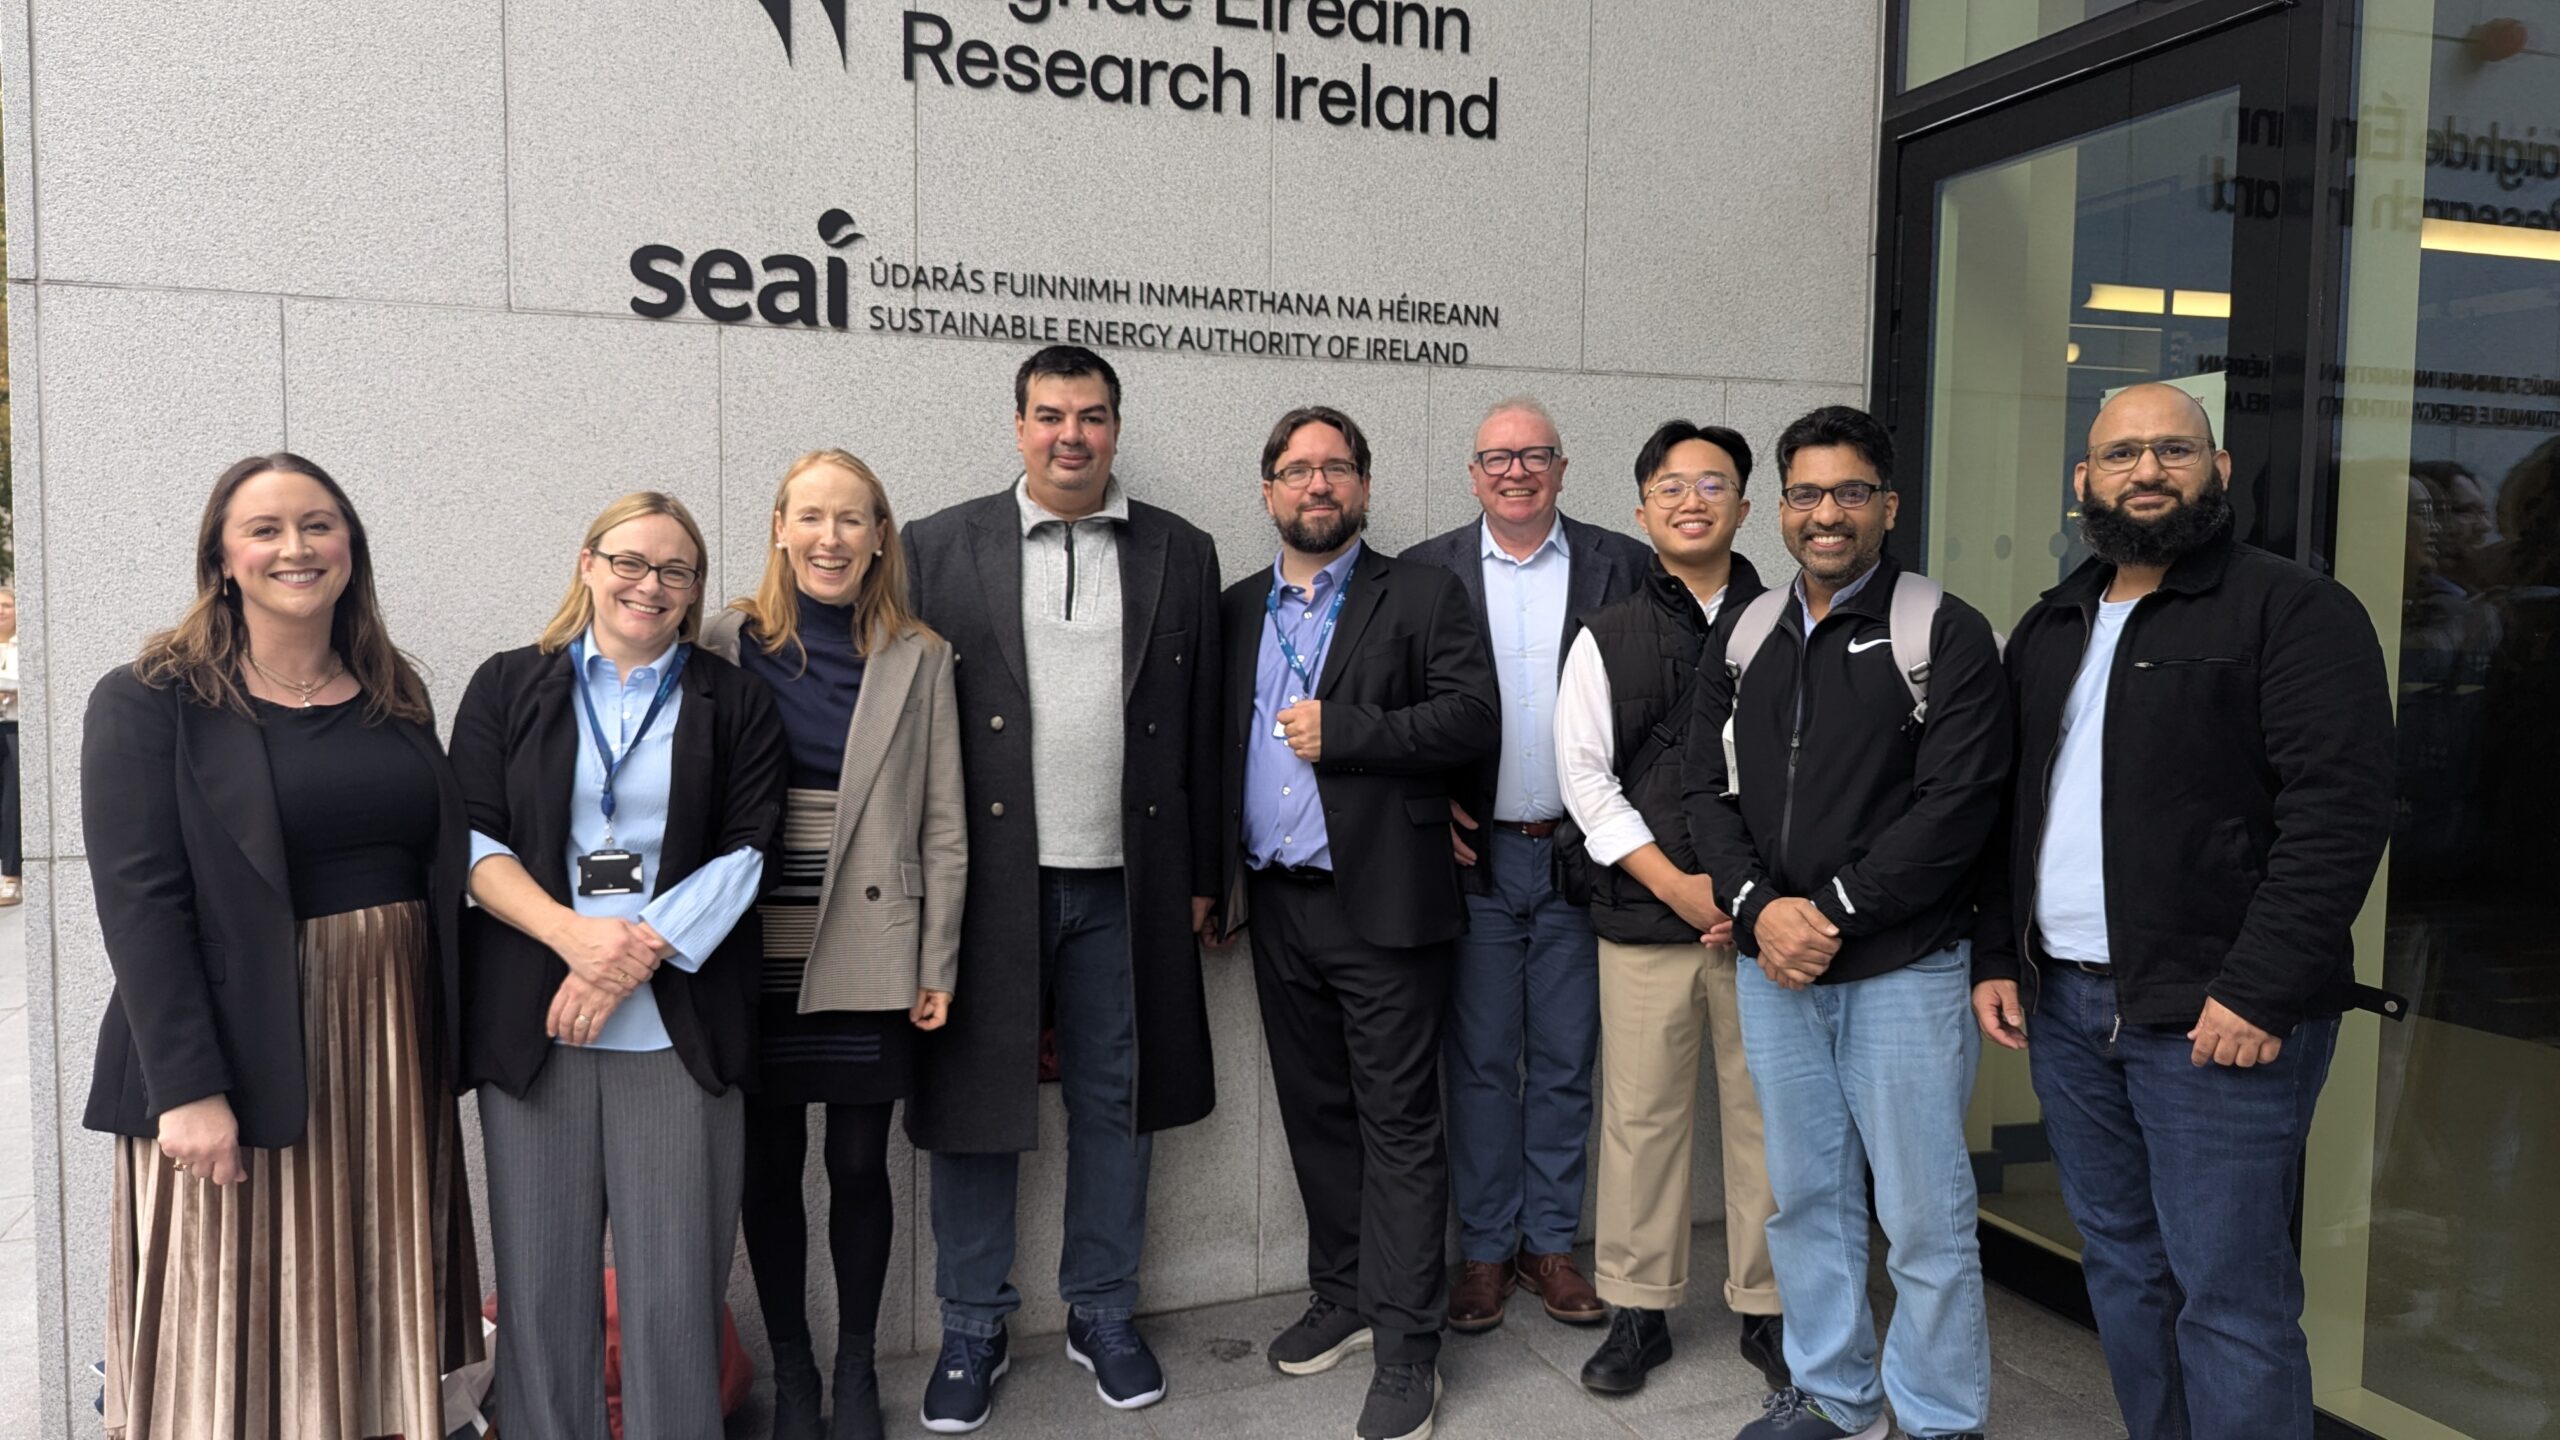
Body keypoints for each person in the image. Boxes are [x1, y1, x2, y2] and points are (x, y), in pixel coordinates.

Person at [1970, 383, 2395, 1440]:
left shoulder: (2291, 609)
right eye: (2121, 455)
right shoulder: (2054, 621)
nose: (2146, 472)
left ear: (2218, 469)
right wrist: (1997, 954)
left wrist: (2258, 989)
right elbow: (2009, 811)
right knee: (2124, 1267)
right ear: (2084, 479)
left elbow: (2339, 814)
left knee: (2231, 1297)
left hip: (2216, 1019)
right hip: (2067, 1008)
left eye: (2173, 450)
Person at [82, 452, 481, 1438]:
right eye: (264, 529)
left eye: (318, 525)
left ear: (351, 548)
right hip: (239, 1045)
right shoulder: (151, 700)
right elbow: (140, 905)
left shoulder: (392, 693)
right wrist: (188, 1089)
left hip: (387, 1049)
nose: (295, 548)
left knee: (368, 1309)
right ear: (222, 559)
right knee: (237, 1327)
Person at [900, 345, 1225, 1432]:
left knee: (1117, 1104)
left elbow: (1204, 726)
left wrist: (1204, 877)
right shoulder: (938, 545)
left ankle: (1102, 1310)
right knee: (975, 1105)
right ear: (1018, 425)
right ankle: (972, 1326)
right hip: (985, 884)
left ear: (1115, 429)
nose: (1070, 435)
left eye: (1090, 416)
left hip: (1130, 886)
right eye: (1050, 415)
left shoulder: (1181, 550)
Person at [1680, 406, 2012, 1440]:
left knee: (1922, 1216)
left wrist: (1824, 914)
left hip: (1903, 971)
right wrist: (1757, 910)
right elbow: (1701, 790)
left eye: (1851, 493)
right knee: (1805, 1200)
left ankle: (1942, 1419)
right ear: (1779, 507)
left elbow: (1959, 807)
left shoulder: (1941, 630)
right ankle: (1832, 1396)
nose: (1827, 514)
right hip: (1775, 971)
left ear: (1889, 506)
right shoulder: (1745, 630)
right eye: (1807, 494)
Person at [450, 491, 788, 1440]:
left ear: (695, 589)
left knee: (675, 1296)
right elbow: (469, 836)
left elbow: (750, 849)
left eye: (676, 570)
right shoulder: (508, 684)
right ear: (589, 564)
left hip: (679, 1036)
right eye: (631, 562)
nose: (651, 584)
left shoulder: (734, 701)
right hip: (537, 1029)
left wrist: (629, 954)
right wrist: (575, 939)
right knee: (539, 1291)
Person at [1214, 404, 1500, 1440]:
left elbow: (1472, 718)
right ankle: (1342, 1292)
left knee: (1399, 1125)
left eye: (1336, 468)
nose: (1317, 485)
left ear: (1364, 487)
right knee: (1316, 1112)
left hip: (1382, 902)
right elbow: (1210, 749)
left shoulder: (1421, 593)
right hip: (1274, 902)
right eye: (1297, 470)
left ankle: (1408, 1347)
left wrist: (1352, 730)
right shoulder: (1236, 608)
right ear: (1268, 490)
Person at [699, 450, 966, 1440]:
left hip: (871, 934)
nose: (830, 537)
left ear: (880, 537)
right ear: (779, 527)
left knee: (858, 1167)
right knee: (766, 1171)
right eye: (810, 516)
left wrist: (937, 961)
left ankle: (857, 1371)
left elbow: (944, 821)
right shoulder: (724, 641)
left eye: (852, 518)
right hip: (750, 939)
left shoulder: (920, 654)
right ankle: (798, 1376)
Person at [1402, 397, 1649, 1333]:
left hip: (1581, 860)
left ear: (1562, 467)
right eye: (1498, 458)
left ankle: (1550, 1246)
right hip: (1477, 862)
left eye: (1534, 455)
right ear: (1472, 474)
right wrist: (1430, 804)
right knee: (1477, 1063)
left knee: (1565, 1060)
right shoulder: (1425, 572)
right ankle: (1484, 1251)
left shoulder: (1621, 566)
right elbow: (1397, 707)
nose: (1516, 472)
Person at [1554, 420, 1787, 1395]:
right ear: (1641, 509)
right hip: (1649, 914)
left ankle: (1771, 1309)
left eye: (1713, 484)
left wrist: (1752, 895)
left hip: (1769, 923)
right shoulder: (1605, 631)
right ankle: (1637, 1312)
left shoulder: (1792, 621)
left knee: (1768, 1119)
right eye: (1672, 487)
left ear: (1746, 506)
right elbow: (1583, 778)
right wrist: (1677, 885)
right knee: (1641, 1119)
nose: (1693, 501)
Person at [0, 585, 20, 907]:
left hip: (16, 727)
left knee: (12, 803)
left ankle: (12, 877)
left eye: (5, 605)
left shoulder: (24, 646)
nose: (0, 611)